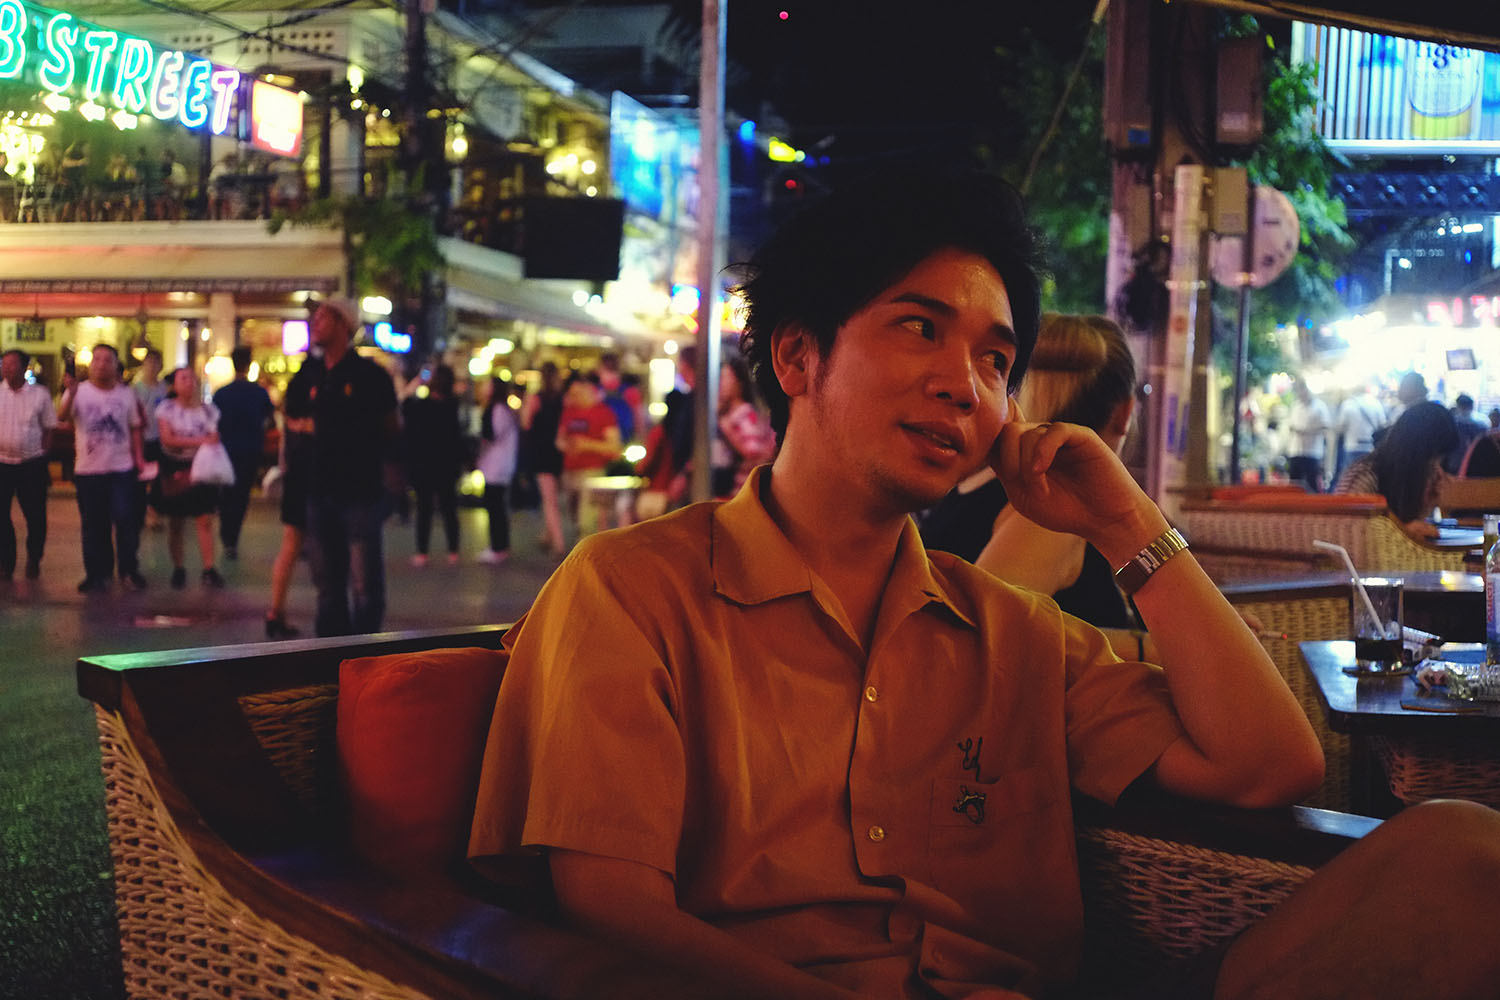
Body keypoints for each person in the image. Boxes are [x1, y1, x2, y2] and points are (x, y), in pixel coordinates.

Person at [468, 168, 1500, 1000]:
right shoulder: (633, 590)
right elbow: (611, 907)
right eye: (920, 327)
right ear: (797, 356)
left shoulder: (1008, 628)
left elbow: (1269, 765)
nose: (964, 384)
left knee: (1462, 852)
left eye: (996, 359)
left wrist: (1126, 524)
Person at [966, 314, 1151, 659]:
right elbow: (980, 637)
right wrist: (1152, 650)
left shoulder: (986, 481)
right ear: (1124, 414)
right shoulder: (1051, 507)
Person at [287, 298, 398, 636]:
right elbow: (291, 416)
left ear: (344, 325)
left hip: (359, 490)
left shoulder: (369, 375)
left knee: (365, 587)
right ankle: (331, 653)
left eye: (324, 317)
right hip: (318, 489)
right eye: (315, 317)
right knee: (327, 587)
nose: (315, 323)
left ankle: (364, 651)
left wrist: (324, 426)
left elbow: (389, 427)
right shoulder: (309, 374)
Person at [58, 344, 146, 592]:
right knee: (94, 524)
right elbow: (62, 417)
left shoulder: (126, 394)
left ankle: (129, 569)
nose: (101, 364)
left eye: (108, 360)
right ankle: (97, 573)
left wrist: (139, 459)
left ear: (116, 365)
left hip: (121, 468)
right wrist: (70, 393)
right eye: (97, 359)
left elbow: (134, 428)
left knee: (126, 520)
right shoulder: (79, 391)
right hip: (88, 470)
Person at [1335, 400, 1457, 540]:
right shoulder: (1365, 475)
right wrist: (1402, 532)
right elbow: (1343, 532)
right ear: (1418, 453)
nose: (1436, 466)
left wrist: (1429, 502)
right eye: (1434, 458)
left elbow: (1412, 525)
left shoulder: (1411, 476)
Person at [153, 367, 225, 589]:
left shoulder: (209, 410)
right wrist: (200, 441)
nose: (189, 382)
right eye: (183, 378)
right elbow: (168, 439)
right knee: (176, 521)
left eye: (192, 378)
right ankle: (178, 567)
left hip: (202, 467)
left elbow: (215, 436)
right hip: (175, 466)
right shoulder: (166, 409)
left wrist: (203, 442)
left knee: (205, 518)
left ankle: (209, 568)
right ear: (174, 385)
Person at [264, 362, 316, 639]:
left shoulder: (290, 419)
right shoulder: (314, 420)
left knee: (290, 544)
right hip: (317, 481)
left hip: (295, 479)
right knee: (323, 547)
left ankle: (276, 611)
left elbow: (284, 451)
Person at [212, 346, 274, 560]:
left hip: (226, 450)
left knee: (226, 493)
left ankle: (226, 534)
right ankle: (232, 538)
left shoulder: (221, 394)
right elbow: (269, 419)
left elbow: (213, 422)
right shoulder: (259, 393)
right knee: (241, 495)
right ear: (249, 365)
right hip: (251, 450)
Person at [0, 349, 56, 581]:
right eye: (4, 364)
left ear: (24, 367)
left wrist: (43, 455)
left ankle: (34, 556)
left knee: (35, 515)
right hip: (2, 463)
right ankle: (6, 561)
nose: (7, 368)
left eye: (12, 364)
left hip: (31, 463)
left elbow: (49, 427)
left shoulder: (40, 394)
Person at [401, 363, 464, 566]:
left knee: (424, 509)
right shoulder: (453, 406)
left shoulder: (421, 406)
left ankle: (422, 552)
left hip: (424, 465)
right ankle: (453, 550)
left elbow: (403, 402)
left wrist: (418, 381)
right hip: (447, 465)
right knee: (449, 509)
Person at [555, 372, 620, 541]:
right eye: (572, 394)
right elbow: (559, 439)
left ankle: (585, 552)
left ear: (589, 390)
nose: (574, 398)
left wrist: (587, 445)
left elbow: (614, 447)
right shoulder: (569, 411)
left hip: (592, 471)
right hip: (570, 471)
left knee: (587, 521)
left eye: (578, 393)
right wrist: (568, 445)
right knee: (574, 516)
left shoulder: (603, 413)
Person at [519, 360, 566, 557]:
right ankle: (547, 536)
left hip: (542, 452)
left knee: (549, 500)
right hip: (561, 450)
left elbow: (525, 423)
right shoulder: (563, 398)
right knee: (554, 497)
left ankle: (558, 543)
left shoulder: (536, 398)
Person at [713, 355, 775, 498]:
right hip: (733, 490)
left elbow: (753, 450)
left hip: (740, 490)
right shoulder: (730, 413)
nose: (720, 383)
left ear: (739, 383)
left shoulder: (743, 413)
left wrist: (726, 429)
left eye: (725, 378)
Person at [475, 376, 519, 564]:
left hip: (496, 465)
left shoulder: (497, 409)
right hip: (501, 465)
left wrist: (478, 452)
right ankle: (501, 546)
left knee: (494, 507)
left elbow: (491, 435)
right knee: (498, 506)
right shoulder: (504, 409)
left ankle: (497, 547)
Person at [130, 347, 168, 532]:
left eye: (156, 362)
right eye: (149, 362)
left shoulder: (164, 388)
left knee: (159, 480)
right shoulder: (134, 389)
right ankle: (139, 514)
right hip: (140, 440)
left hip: (159, 440)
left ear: (161, 366)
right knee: (139, 480)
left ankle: (154, 512)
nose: (152, 366)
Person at [1331, 381, 1385, 484]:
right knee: (1368, 478)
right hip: (1370, 447)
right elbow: (1382, 424)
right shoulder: (1375, 403)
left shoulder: (1348, 404)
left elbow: (1340, 427)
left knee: (1351, 479)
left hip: (1352, 446)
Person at [1285, 377, 1330, 491]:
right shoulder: (1295, 406)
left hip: (1312, 451)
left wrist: (1308, 432)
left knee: (1312, 483)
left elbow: (1325, 428)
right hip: (1296, 450)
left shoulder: (1319, 406)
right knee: (1294, 484)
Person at [1445, 392, 1488, 474]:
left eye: (1466, 406)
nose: (1464, 409)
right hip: (1458, 464)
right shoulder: (1452, 425)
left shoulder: (1479, 427)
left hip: (1465, 465)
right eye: (1462, 406)